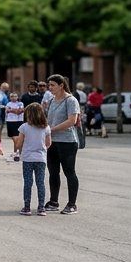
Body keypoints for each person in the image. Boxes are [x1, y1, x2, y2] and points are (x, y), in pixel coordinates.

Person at [43, 74, 80, 215]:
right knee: (53, 172)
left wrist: (52, 129)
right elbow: (48, 119)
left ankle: (72, 204)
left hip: (67, 142)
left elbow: (72, 121)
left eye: (52, 85)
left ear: (61, 85)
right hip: (52, 141)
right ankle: (54, 202)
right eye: (49, 85)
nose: (50, 88)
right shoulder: (52, 100)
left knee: (69, 172)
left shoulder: (71, 100)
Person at [15, 102, 51, 215]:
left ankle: (27, 207)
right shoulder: (46, 127)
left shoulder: (24, 127)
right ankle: (41, 207)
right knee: (40, 183)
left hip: (27, 158)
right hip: (41, 158)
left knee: (28, 183)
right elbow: (48, 143)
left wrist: (20, 149)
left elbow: (19, 144)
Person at [3, 92, 26, 159]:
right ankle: (16, 152)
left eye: (15, 96)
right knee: (14, 139)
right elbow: (7, 111)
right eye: (12, 96)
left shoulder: (20, 103)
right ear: (10, 98)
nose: (13, 98)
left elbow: (19, 112)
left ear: (17, 97)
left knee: (17, 138)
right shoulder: (8, 104)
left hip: (19, 121)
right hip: (10, 121)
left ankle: (17, 152)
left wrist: (11, 110)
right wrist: (14, 110)